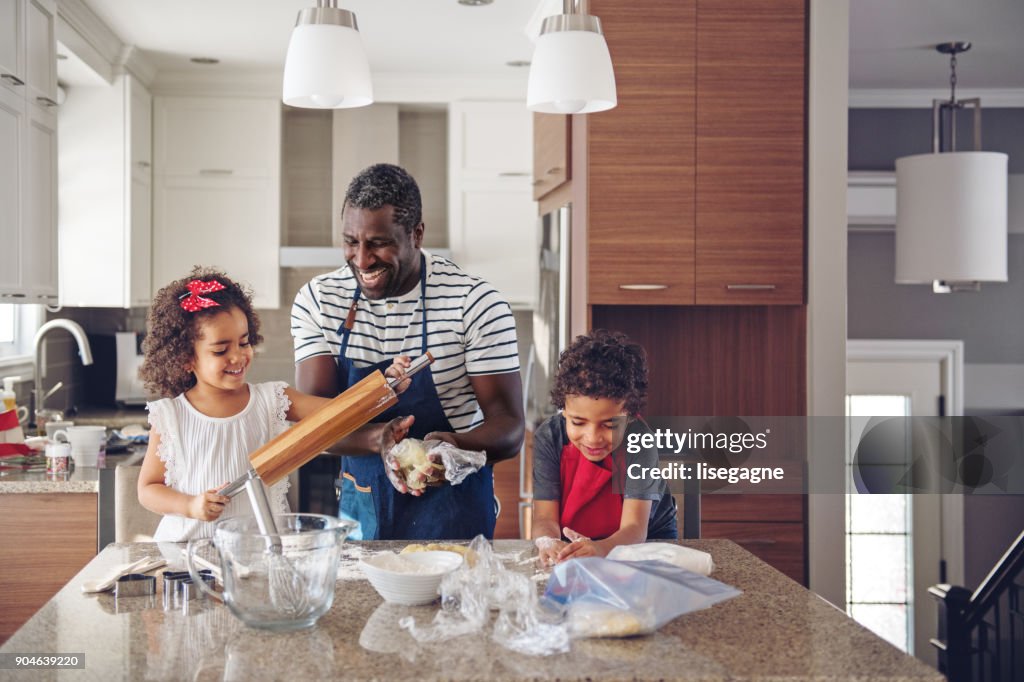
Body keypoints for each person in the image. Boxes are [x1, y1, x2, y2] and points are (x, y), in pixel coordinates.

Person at [291, 163, 525, 540]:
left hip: (456, 509)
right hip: (361, 511)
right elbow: (312, 425)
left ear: (416, 234)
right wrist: (378, 440)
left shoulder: (474, 302)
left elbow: (510, 427)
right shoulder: (319, 300)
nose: (362, 260)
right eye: (351, 241)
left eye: (379, 242)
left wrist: (452, 446)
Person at [137, 267, 341, 542]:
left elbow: (341, 410)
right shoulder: (171, 416)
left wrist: (386, 384)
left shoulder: (273, 400)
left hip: (259, 553)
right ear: (186, 358)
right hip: (186, 558)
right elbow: (148, 489)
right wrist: (190, 505)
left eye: (244, 343)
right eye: (221, 350)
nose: (238, 357)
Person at [531, 330, 678, 565]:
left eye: (609, 424)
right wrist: (549, 542)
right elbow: (543, 518)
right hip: (578, 542)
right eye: (578, 422)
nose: (592, 438)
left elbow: (634, 529)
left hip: (646, 544)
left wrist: (600, 548)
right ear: (564, 411)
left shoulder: (640, 442)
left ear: (629, 415)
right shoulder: (549, 438)